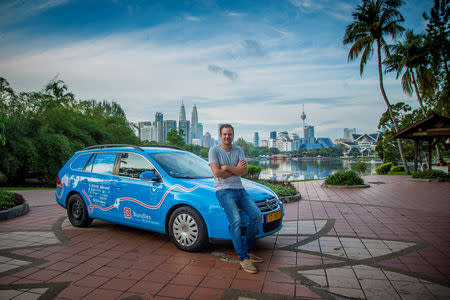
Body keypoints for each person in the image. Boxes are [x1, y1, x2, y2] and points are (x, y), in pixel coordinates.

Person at [208, 124, 263, 274]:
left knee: (256, 215)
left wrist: (226, 167)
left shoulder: (239, 150)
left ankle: (249, 251)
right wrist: (234, 170)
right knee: (236, 220)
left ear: (233, 135)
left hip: (240, 189)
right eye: (225, 134)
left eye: (230, 134)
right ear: (221, 135)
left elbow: (244, 171)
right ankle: (243, 257)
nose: (227, 136)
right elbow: (217, 173)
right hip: (224, 191)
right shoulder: (214, 150)